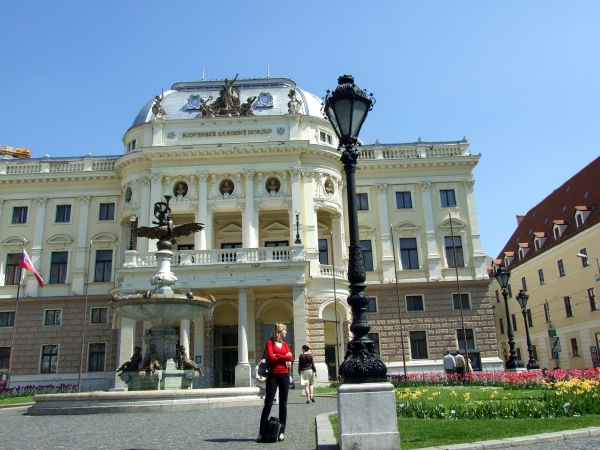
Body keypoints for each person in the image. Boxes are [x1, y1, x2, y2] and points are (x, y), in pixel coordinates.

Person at [257, 323, 293, 443]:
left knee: (283, 405)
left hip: (285, 375)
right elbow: (271, 358)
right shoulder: (269, 343)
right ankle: (261, 432)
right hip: (273, 375)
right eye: (284, 331)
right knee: (268, 404)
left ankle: (282, 431)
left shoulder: (285, 344)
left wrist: (278, 355)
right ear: (279, 332)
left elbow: (290, 358)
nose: (286, 333)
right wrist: (284, 356)